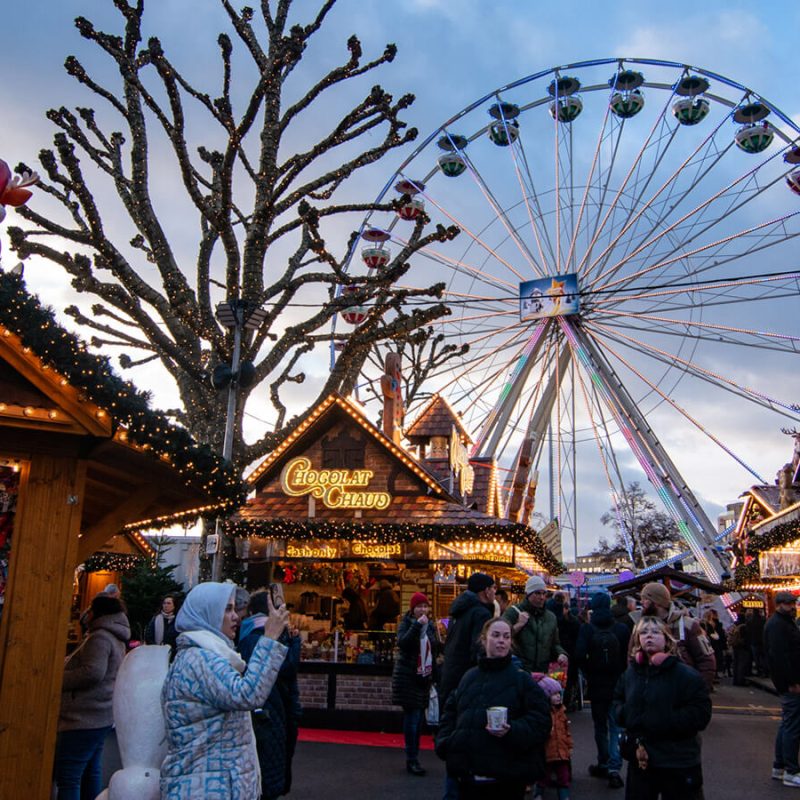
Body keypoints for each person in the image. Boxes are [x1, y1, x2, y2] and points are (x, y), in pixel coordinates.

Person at [160, 581, 289, 799]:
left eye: (233, 608)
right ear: (208, 613)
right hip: (206, 787)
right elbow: (247, 694)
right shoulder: (201, 659)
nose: (236, 616)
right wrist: (270, 638)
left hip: (208, 782)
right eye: (226, 609)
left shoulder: (202, 654)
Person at [436, 617, 551, 799]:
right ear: (484, 640)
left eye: (506, 637)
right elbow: (451, 711)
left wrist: (513, 730)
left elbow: (541, 720)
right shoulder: (469, 677)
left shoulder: (521, 679)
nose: (501, 641)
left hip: (507, 778)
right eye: (496, 635)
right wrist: (447, 743)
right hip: (468, 776)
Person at [613, 617, 712, 800]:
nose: (649, 636)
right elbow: (618, 701)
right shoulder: (631, 673)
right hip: (641, 760)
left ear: (667, 639)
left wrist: (661, 720)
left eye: (655, 632)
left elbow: (700, 714)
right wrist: (626, 715)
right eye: (643, 632)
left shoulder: (685, 675)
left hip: (677, 761)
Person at [54, 593, 130, 800]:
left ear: (97, 612)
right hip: (100, 713)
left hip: (84, 715)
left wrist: (57, 678)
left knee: (69, 775)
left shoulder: (100, 638)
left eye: (90, 608)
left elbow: (92, 672)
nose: (86, 612)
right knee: (89, 770)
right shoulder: (114, 636)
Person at [239, 588, 302, 799]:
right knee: (268, 772)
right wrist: (295, 643)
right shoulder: (263, 637)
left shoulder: (247, 635)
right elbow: (286, 667)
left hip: (271, 711)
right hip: (270, 713)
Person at [439, 572, 496, 800]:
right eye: (492, 588)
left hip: (450, 678)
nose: (494, 592)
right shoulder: (480, 613)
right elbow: (478, 650)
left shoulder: (458, 612)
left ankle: (452, 791)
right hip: (466, 680)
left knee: (456, 738)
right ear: (484, 591)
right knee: (468, 741)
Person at [574, 591, 629, 789]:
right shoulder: (621, 629)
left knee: (600, 726)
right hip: (617, 683)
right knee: (616, 726)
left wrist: (588, 672)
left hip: (597, 685)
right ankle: (615, 768)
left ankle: (603, 761)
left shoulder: (587, 629)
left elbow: (579, 655)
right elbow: (627, 656)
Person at [392, 591, 441, 776]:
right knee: (412, 719)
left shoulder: (430, 625)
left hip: (423, 677)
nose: (422, 610)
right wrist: (416, 627)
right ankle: (411, 759)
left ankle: (414, 756)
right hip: (408, 677)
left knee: (418, 719)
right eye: (419, 606)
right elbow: (403, 643)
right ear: (412, 609)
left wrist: (435, 676)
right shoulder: (405, 624)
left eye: (425, 606)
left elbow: (433, 649)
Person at [639, 582, 716, 691]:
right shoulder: (640, 626)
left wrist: (699, 691)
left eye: (645, 599)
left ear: (656, 602)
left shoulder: (688, 625)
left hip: (682, 692)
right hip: (650, 694)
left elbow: (706, 661)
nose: (641, 602)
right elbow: (632, 657)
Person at [764, 590, 800, 787]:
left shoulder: (780, 623)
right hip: (790, 683)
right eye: (789, 604)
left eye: (793, 603)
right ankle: (791, 770)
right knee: (793, 726)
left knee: (787, 724)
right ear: (779, 604)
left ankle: (780, 767)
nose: (792, 607)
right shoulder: (779, 626)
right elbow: (780, 657)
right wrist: (792, 682)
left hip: (786, 681)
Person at [502, 575, 568, 673]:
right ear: (528, 594)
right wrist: (519, 625)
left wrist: (561, 654)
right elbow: (501, 637)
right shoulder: (513, 612)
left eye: (544, 593)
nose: (541, 597)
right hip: (519, 671)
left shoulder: (551, 617)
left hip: (542, 672)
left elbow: (555, 643)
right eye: (537, 593)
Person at [532, 675, 573, 800]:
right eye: (554, 694)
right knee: (544, 775)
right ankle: (538, 793)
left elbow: (567, 731)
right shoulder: (543, 714)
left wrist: (569, 746)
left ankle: (564, 796)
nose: (558, 696)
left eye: (559, 694)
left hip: (562, 752)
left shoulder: (562, 713)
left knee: (564, 776)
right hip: (547, 752)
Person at [729, 612, 751, 686]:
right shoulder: (744, 626)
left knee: (736, 663)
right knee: (742, 664)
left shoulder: (735, 625)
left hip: (735, 646)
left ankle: (736, 680)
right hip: (742, 647)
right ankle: (740, 680)